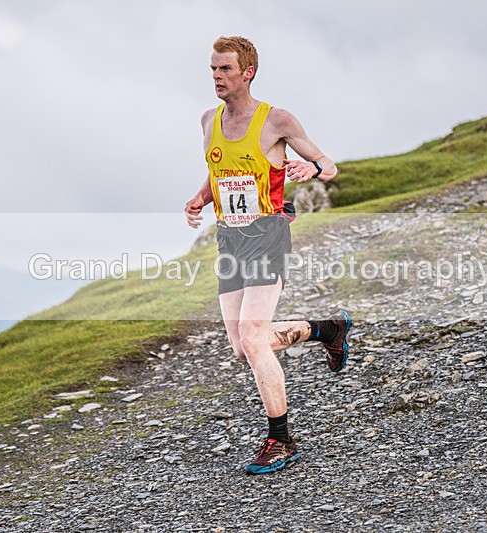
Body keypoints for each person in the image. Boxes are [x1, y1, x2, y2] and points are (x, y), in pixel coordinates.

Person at [184, 36, 352, 475]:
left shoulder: (275, 120)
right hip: (230, 241)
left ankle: (281, 439)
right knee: (243, 347)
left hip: (267, 234)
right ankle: (327, 330)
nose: (217, 77)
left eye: (225, 69)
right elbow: (219, 168)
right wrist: (201, 198)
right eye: (213, 69)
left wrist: (310, 168)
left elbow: (328, 163)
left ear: (247, 72)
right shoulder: (208, 120)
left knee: (255, 338)